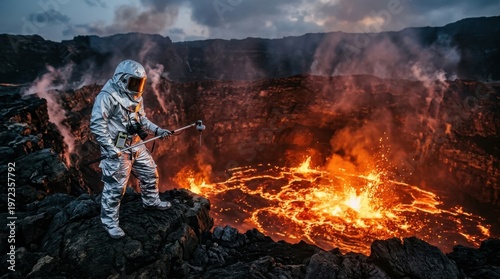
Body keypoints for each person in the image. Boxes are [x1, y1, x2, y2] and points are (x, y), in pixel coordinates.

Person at [90, 59, 172, 239]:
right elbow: (97, 124)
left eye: (139, 82)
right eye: (134, 82)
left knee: (150, 172)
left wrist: (158, 129)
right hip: (117, 148)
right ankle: (109, 223)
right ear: (122, 79)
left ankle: (150, 201)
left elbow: (141, 119)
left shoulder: (135, 97)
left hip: (135, 143)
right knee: (116, 187)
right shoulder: (107, 97)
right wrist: (109, 148)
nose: (137, 86)